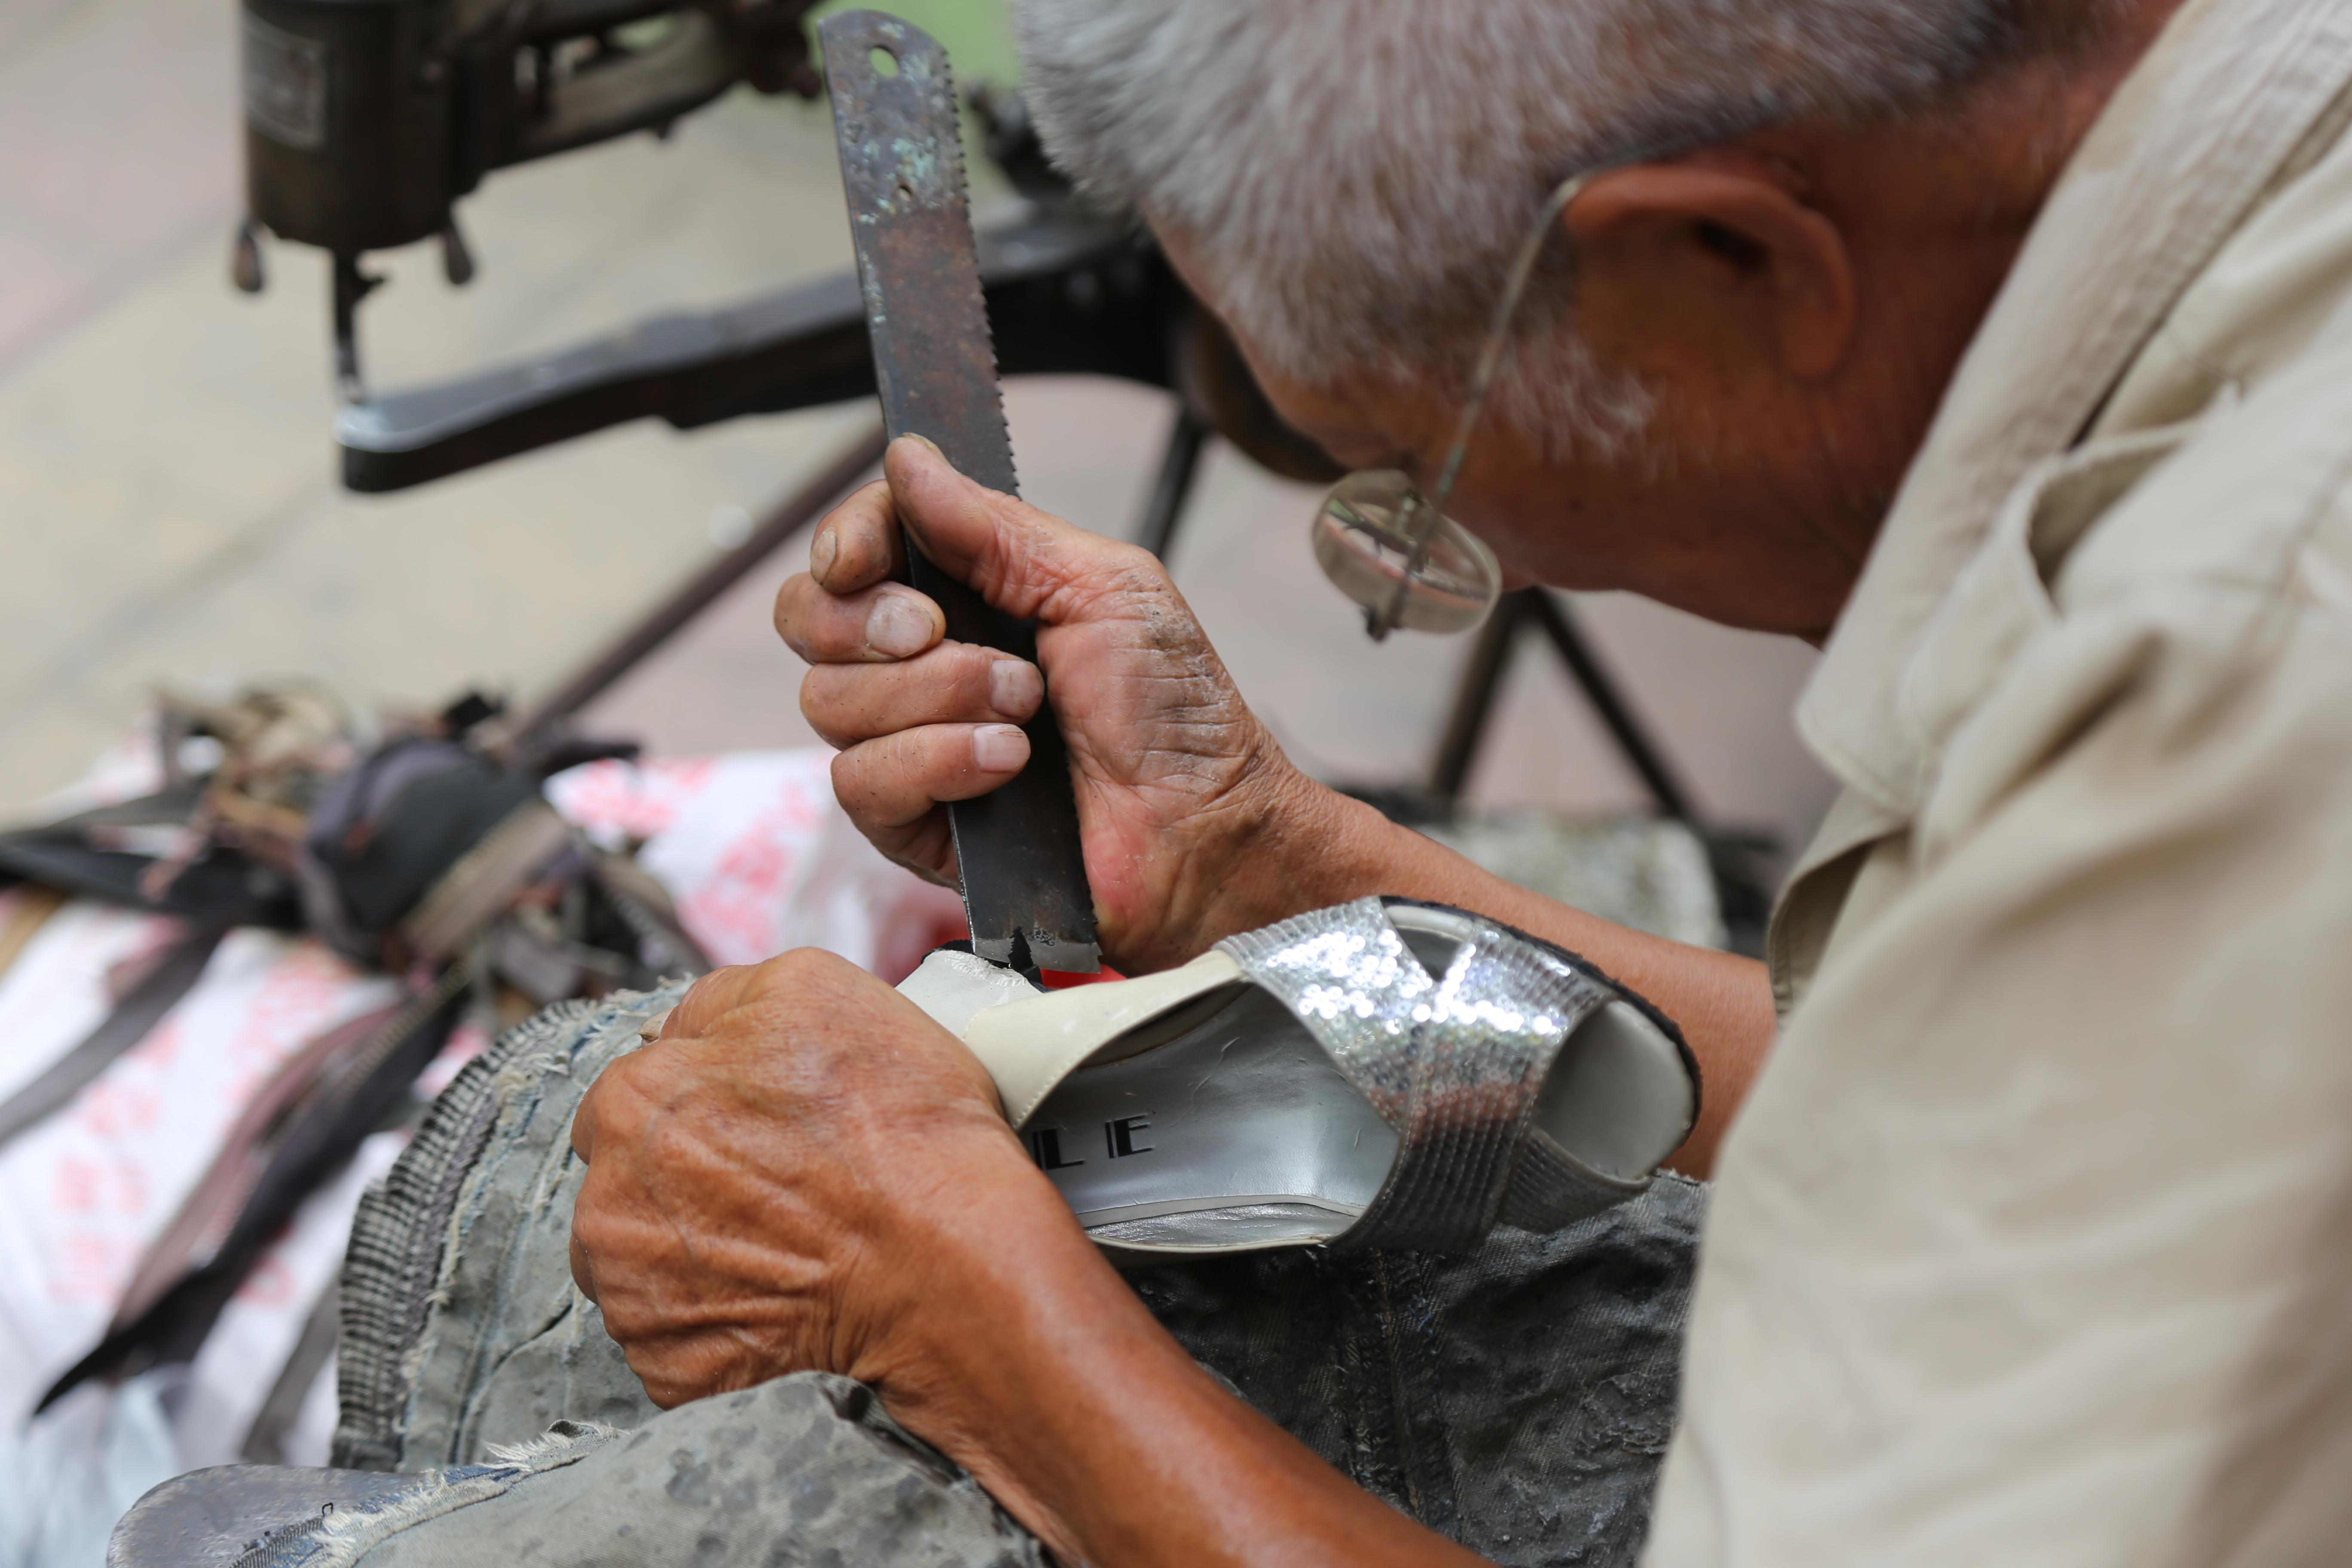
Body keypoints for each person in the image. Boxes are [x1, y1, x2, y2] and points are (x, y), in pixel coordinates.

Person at [116, 0, 2352, 1562]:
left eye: (1406, 486)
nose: (1431, 545)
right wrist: (1298, 865)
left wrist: (950, 1298)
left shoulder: (2244, 708)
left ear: (1728, 255)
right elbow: (1973, 1086)